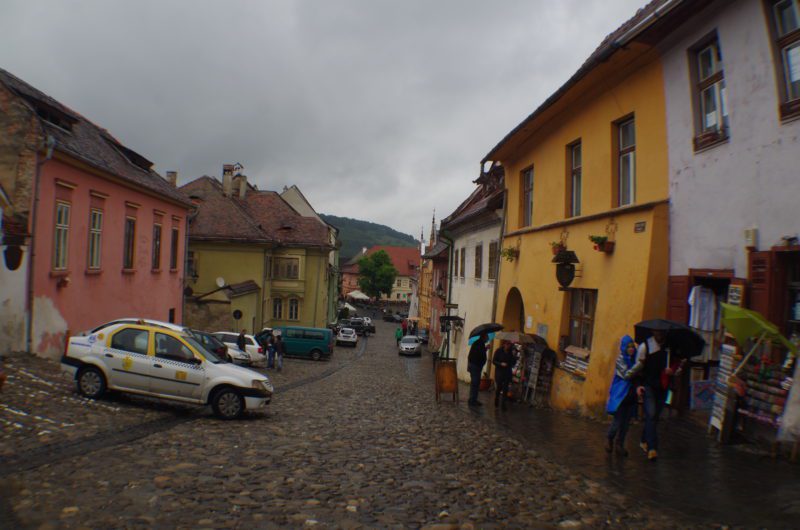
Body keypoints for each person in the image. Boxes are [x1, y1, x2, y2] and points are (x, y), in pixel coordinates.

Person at [624, 330, 685, 461]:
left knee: (655, 416)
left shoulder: (670, 347)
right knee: (651, 414)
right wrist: (638, 385)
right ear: (654, 332)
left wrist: (673, 370)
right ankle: (652, 448)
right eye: (658, 333)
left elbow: (677, 365)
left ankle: (643, 439)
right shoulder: (645, 346)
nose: (660, 335)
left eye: (662, 334)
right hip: (649, 385)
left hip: (663, 386)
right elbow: (638, 368)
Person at [606, 335, 638, 456]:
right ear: (624, 348)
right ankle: (609, 439)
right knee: (617, 422)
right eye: (628, 347)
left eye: (632, 346)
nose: (631, 349)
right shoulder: (620, 360)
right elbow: (626, 375)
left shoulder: (635, 359)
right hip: (620, 395)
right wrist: (638, 367)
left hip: (630, 395)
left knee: (626, 424)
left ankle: (620, 444)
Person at [492, 340, 515, 410]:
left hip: (507, 372)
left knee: (505, 389)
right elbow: (494, 361)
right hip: (499, 372)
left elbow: (512, 363)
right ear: (504, 344)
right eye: (507, 344)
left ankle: (503, 404)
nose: (508, 346)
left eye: (509, 344)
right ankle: (496, 399)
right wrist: (500, 364)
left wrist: (513, 356)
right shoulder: (498, 351)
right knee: (499, 387)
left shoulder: (510, 352)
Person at [467, 332, 489, 406]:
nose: (488, 339)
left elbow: (479, 353)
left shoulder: (480, 344)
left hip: (476, 366)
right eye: (487, 337)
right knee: (475, 383)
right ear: (483, 337)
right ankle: (472, 400)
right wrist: (485, 349)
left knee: (475, 383)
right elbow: (478, 354)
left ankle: (473, 399)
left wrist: (485, 348)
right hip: (475, 366)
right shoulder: (478, 344)